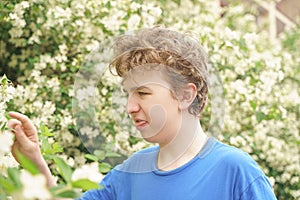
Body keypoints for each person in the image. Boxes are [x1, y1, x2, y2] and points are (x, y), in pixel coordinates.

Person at [8, 27, 277, 199]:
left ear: (186, 95)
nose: (130, 107)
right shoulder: (130, 172)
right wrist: (34, 160)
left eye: (143, 93)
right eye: (128, 93)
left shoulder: (236, 172)